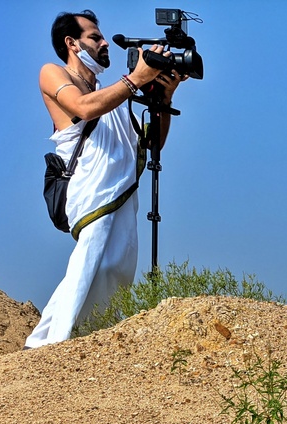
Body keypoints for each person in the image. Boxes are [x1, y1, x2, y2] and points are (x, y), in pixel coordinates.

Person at [25, 10, 184, 348]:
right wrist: (135, 80)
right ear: (72, 43)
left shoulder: (110, 92)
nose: (103, 43)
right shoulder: (53, 73)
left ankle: (47, 342)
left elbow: (151, 144)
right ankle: (58, 346)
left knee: (115, 268)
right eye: (94, 37)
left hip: (121, 192)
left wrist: (164, 97)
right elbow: (82, 108)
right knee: (91, 263)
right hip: (91, 188)